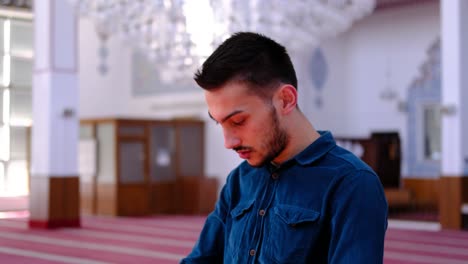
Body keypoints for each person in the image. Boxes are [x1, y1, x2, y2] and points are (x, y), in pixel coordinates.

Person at [181, 32, 388, 264]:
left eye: (238, 121)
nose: (228, 142)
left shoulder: (352, 183)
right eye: (220, 123)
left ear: (286, 100)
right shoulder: (240, 179)